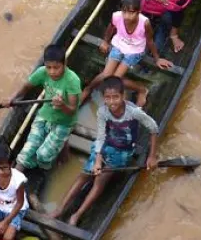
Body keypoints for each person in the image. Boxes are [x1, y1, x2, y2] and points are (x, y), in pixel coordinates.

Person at [53, 76, 159, 228]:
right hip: (105, 145)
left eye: (115, 97)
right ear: (103, 99)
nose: (112, 102)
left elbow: (153, 128)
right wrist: (97, 159)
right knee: (84, 175)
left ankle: (77, 215)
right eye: (107, 98)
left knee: (99, 180)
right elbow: (101, 136)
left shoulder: (134, 112)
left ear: (123, 96)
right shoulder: (103, 112)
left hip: (123, 151)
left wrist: (152, 156)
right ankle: (59, 209)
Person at [10, 44, 82, 198]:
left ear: (65, 64)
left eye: (56, 68)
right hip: (44, 115)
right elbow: (27, 86)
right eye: (49, 67)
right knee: (25, 152)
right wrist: (13, 99)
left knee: (43, 155)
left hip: (64, 121)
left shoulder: (72, 80)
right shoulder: (42, 73)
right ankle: (12, 183)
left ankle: (44, 166)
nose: (52, 72)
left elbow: (72, 110)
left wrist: (62, 105)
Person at [82, 0, 172, 107]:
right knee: (106, 75)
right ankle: (88, 88)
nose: (127, 16)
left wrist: (157, 59)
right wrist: (105, 41)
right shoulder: (117, 16)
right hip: (119, 45)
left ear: (139, 11)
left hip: (134, 51)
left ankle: (142, 90)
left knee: (115, 80)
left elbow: (150, 41)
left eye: (131, 13)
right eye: (124, 11)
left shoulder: (145, 23)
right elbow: (111, 28)